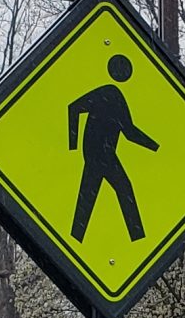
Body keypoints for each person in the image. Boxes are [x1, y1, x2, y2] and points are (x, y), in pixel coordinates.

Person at [68, 54, 158, 242]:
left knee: (89, 197)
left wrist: (155, 147)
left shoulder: (115, 96)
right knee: (121, 190)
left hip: (102, 153)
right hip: (99, 153)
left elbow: (129, 133)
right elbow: (73, 107)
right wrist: (72, 145)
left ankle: (76, 237)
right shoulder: (109, 93)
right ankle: (137, 237)